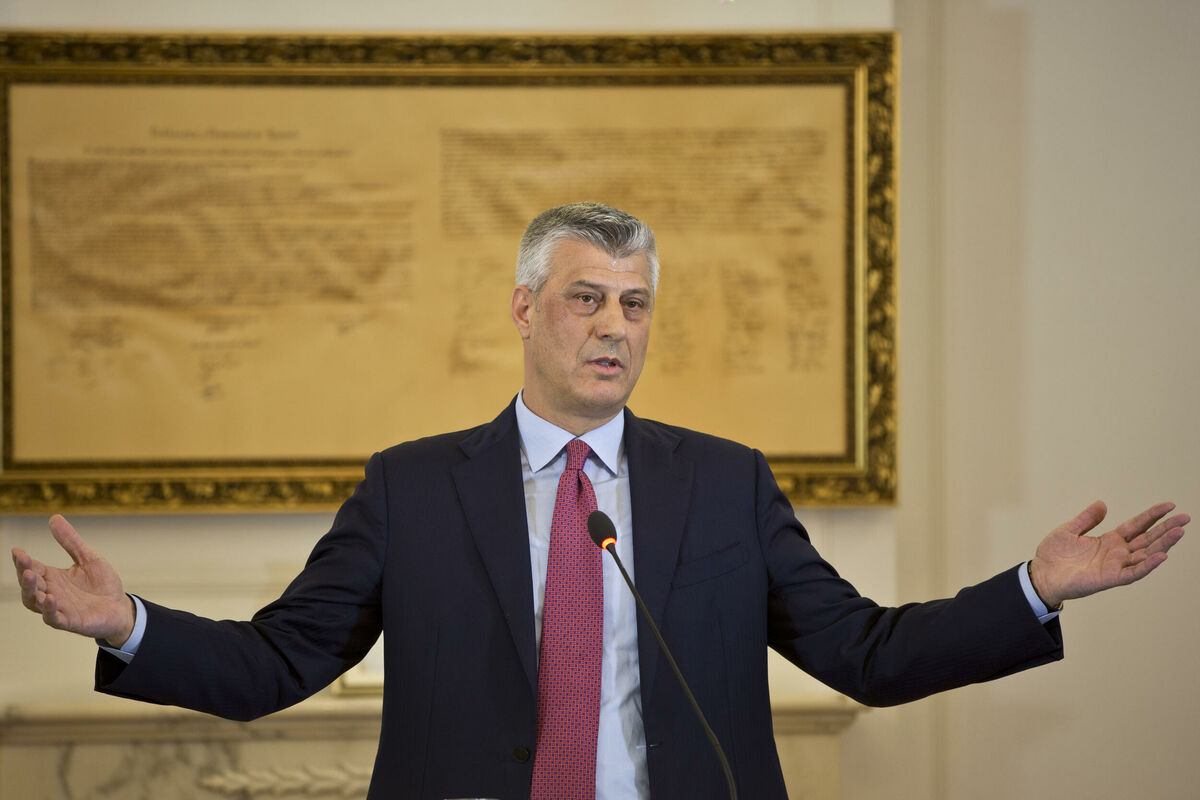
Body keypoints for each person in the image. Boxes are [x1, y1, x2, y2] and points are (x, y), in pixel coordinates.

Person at [12, 202, 1188, 800]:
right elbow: (279, 661)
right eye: (586, 298)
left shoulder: (725, 481)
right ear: (525, 308)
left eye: (634, 303)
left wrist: (1034, 589)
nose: (614, 326)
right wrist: (127, 623)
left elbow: (864, 652)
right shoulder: (412, 485)